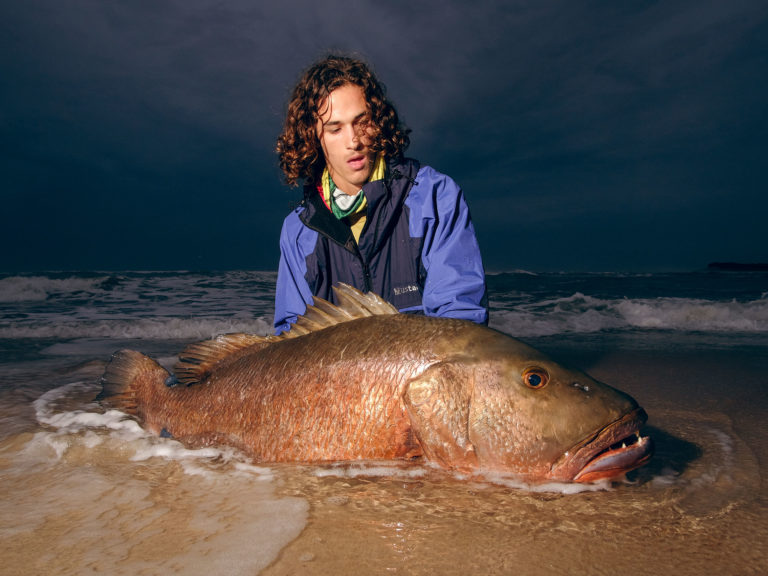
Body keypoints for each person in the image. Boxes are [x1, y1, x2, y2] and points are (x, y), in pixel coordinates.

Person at [274, 54, 487, 334]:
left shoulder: (435, 196)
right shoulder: (297, 230)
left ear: (378, 121)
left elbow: (461, 327)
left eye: (362, 122)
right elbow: (291, 338)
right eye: (335, 128)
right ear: (313, 138)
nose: (354, 141)